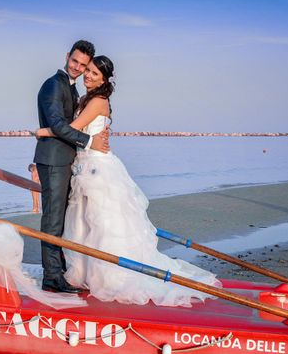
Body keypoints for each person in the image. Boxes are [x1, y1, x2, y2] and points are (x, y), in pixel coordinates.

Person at [35, 55, 220, 306]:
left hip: (98, 168)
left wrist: (42, 131)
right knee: (84, 223)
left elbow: (73, 127)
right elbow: (73, 128)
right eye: (87, 70)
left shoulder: (98, 101)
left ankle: (113, 277)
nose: (87, 75)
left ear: (104, 80)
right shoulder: (86, 98)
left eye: (94, 74)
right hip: (84, 166)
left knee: (104, 224)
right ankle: (84, 274)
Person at [33, 40, 110, 294]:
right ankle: (52, 277)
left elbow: (67, 125)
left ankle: (60, 270)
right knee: (53, 220)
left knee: (61, 220)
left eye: (83, 64)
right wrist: (90, 142)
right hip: (54, 161)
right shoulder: (54, 85)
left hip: (66, 161)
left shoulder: (73, 88)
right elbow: (57, 124)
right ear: (67, 56)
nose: (78, 67)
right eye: (74, 61)